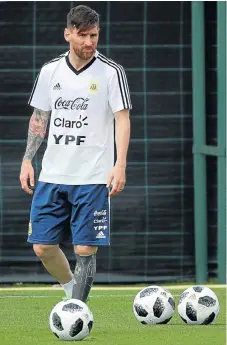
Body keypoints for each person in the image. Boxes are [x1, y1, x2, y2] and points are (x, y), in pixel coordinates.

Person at [19, 5, 131, 302]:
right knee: (42, 247)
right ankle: (70, 290)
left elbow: (122, 118)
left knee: (85, 248)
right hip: (53, 175)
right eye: (82, 35)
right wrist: (27, 159)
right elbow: (39, 118)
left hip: (93, 177)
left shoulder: (111, 72)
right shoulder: (49, 71)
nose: (89, 42)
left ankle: (79, 309)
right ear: (68, 34)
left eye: (94, 35)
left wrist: (119, 165)